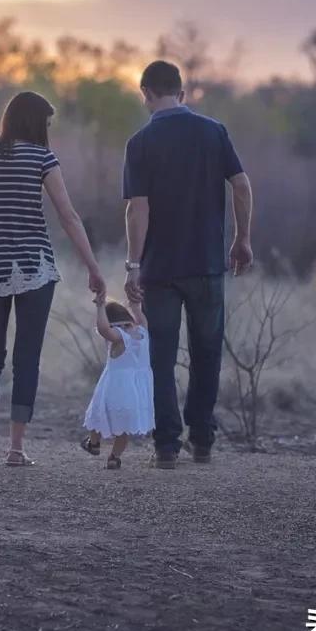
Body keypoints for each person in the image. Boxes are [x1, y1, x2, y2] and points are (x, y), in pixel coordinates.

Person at [0, 91, 105, 467]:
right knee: (27, 358)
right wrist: (93, 267)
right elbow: (68, 217)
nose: (48, 131)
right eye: (47, 123)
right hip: (34, 267)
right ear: (35, 123)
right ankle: (16, 449)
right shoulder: (42, 159)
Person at [122, 61, 255, 469]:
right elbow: (242, 185)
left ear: (145, 92)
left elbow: (136, 209)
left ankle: (166, 446)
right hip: (207, 263)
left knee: (160, 357)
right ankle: (202, 440)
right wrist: (242, 238)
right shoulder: (213, 132)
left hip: (160, 269)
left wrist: (132, 265)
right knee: (207, 353)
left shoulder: (140, 142)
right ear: (181, 92)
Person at [80, 296, 154, 469]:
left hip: (116, 387)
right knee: (123, 429)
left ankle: (94, 443)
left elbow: (104, 329)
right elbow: (139, 315)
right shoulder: (143, 331)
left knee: (97, 414)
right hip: (137, 392)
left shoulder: (119, 337)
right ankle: (114, 457)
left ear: (113, 323)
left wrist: (99, 307)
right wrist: (134, 304)